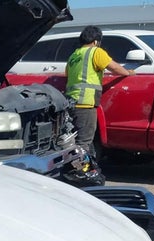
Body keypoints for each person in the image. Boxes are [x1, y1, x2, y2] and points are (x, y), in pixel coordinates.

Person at [65, 26, 135, 160]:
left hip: (71, 102)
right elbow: (114, 67)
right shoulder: (96, 52)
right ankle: (79, 168)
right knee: (83, 142)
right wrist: (128, 72)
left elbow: (68, 74)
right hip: (85, 103)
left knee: (73, 140)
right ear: (96, 41)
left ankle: (79, 165)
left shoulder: (74, 55)